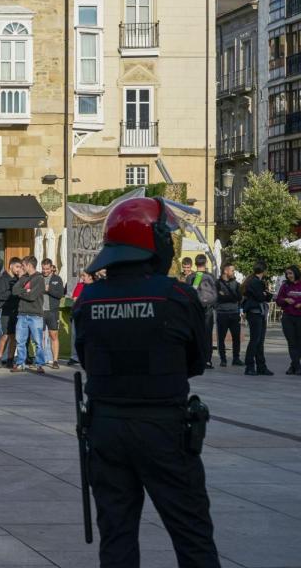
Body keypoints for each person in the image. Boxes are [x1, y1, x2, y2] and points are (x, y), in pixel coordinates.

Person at [73, 196, 220, 568]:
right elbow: (196, 361)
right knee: (191, 533)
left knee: (117, 537)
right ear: (153, 242)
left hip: (106, 427)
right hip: (163, 427)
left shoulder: (88, 299)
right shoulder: (175, 296)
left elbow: (87, 358)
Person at [12, 256, 46, 373]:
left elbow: (32, 296)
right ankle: (20, 363)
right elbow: (14, 290)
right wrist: (26, 291)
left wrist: (23, 292)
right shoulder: (23, 278)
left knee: (37, 342)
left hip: (35, 315)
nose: (22, 267)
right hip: (22, 314)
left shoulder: (39, 278)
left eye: (23, 265)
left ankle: (39, 364)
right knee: (20, 341)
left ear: (29, 265)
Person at [242, 261, 274, 376]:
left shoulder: (253, 281)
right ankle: (250, 366)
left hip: (257, 313)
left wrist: (266, 295)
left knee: (259, 341)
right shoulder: (256, 282)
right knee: (256, 340)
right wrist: (266, 295)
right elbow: (261, 297)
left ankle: (261, 366)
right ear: (264, 271)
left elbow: (264, 296)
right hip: (255, 313)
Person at [189, 254, 219, 369]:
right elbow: (215, 293)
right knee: (207, 336)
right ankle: (207, 360)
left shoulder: (191, 277)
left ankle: (196, 359)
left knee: (195, 335)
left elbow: (188, 294)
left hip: (196, 310)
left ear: (195, 264)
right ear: (206, 263)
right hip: (209, 310)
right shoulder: (211, 276)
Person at [0, 257, 22, 367]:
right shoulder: (2, 279)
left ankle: (10, 359)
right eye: (17, 267)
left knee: (14, 336)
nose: (19, 269)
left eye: (20, 267)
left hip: (16, 310)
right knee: (5, 335)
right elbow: (1, 295)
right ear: (11, 266)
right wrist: (14, 293)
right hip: (6, 311)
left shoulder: (18, 279)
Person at [215, 262, 243, 368]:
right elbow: (218, 298)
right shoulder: (217, 283)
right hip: (222, 314)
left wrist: (225, 296)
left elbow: (239, 297)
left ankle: (236, 358)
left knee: (236, 337)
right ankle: (223, 359)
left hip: (234, 314)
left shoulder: (236, 284)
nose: (233, 272)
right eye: (232, 270)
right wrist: (230, 297)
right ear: (225, 271)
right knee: (221, 338)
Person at [276, 264, 301, 374]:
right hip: (288, 317)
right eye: (287, 274)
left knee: (299, 342)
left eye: (290, 273)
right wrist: (285, 299)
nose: (288, 275)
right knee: (292, 342)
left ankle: (293, 366)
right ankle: (297, 367)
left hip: (300, 317)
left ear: (296, 272)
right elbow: (278, 300)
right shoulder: (285, 286)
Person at [41, 258, 65, 369]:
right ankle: (40, 360)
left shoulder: (57, 279)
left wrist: (49, 289)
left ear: (51, 268)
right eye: (43, 268)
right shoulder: (38, 278)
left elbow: (60, 294)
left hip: (52, 312)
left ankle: (55, 361)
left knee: (53, 335)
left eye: (47, 269)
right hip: (40, 311)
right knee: (39, 337)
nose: (45, 271)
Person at [67, 269, 94, 366]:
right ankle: (74, 357)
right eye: (81, 276)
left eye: (84, 276)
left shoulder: (95, 286)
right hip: (78, 314)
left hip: (90, 314)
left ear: (90, 276)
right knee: (75, 336)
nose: (82, 278)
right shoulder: (80, 285)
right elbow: (75, 299)